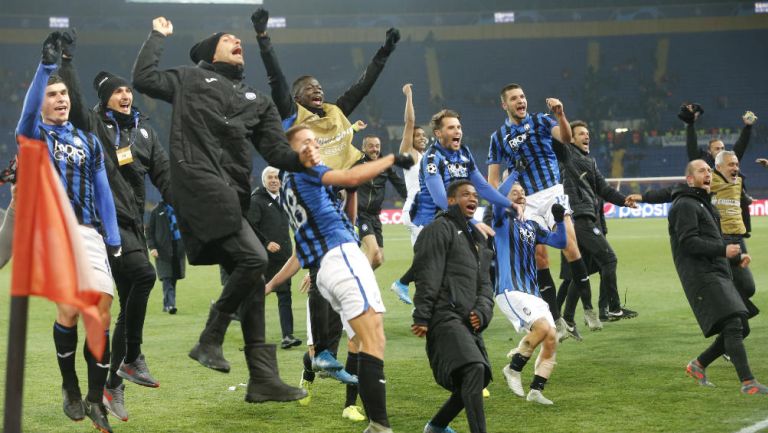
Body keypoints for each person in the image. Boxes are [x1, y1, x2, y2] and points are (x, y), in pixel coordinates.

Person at [132, 16, 318, 403]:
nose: (238, 41)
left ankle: (263, 379)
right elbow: (144, 79)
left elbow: (274, 151)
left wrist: (301, 158)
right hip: (196, 181)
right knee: (254, 258)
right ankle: (210, 336)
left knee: (251, 282)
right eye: (228, 39)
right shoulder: (188, 78)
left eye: (239, 40)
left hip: (231, 198)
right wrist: (157, 36)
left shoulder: (258, 101)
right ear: (208, 51)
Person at [265, 124, 415, 433]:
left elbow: (344, 219)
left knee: (363, 341)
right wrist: (390, 160)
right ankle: (379, 425)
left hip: (327, 270)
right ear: (289, 154)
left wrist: (268, 285)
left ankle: (364, 412)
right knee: (373, 339)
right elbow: (351, 177)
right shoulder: (306, 172)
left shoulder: (292, 190)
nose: (312, 146)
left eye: (313, 141)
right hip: (342, 259)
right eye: (304, 143)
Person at [57, 29, 173, 419]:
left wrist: (191, 206)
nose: (126, 95)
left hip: (134, 227)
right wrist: (68, 63)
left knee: (125, 302)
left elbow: (164, 176)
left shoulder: (144, 132)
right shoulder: (94, 128)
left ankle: (112, 383)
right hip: (107, 226)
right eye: (118, 91)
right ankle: (130, 358)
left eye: (128, 91)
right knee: (144, 276)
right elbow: (74, 108)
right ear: (105, 97)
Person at [17, 31, 121, 432]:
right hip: (53, 234)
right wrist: (45, 68)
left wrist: (111, 237)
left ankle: (95, 398)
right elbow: (28, 113)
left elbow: (103, 192)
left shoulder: (89, 141)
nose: (60, 99)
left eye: (64, 94)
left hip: (90, 233)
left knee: (102, 310)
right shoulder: (34, 136)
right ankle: (71, 387)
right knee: (71, 311)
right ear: (41, 101)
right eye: (52, 94)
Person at [486, 83, 588, 341]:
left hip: (552, 191)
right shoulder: (498, 138)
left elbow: (565, 138)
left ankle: (587, 309)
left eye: (522, 96)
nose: (520, 101)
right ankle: (556, 320)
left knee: (570, 246)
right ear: (504, 105)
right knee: (540, 259)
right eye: (514, 98)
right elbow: (492, 181)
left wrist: (561, 115)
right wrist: (509, 201)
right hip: (527, 200)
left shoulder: (541, 120)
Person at [396, 108, 517, 305]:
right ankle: (426, 309)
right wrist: (473, 221)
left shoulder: (464, 153)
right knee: (438, 270)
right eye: (451, 127)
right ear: (438, 133)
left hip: (451, 219)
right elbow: (441, 200)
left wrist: (509, 203)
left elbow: (483, 187)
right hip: (429, 222)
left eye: (459, 127)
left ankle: (466, 301)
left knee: (463, 261)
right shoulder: (432, 158)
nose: (457, 131)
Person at [252, 8, 398, 169]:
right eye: (309, 88)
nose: (317, 90)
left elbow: (363, 85)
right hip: (307, 183)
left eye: (319, 88)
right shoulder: (292, 113)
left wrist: (384, 52)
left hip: (340, 182)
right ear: (297, 98)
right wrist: (263, 37)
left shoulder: (335, 111)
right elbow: (276, 78)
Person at [669, 160, 767, 395]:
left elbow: (712, 242)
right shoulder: (685, 205)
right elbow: (688, 242)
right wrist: (723, 250)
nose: (708, 174)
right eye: (701, 170)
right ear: (690, 179)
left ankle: (698, 364)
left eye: (709, 171)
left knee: (742, 326)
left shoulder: (705, 205)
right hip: (701, 275)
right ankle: (748, 382)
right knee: (733, 323)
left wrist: (734, 258)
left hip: (718, 272)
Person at [412, 180, 494, 433]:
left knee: (475, 378)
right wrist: (422, 315)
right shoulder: (438, 228)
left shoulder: (478, 238)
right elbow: (427, 273)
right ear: (450, 200)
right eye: (465, 195)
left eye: (475, 195)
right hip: (443, 316)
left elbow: (486, 284)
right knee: (473, 369)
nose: (472, 199)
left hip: (469, 321)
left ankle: (436, 427)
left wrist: (482, 312)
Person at [491, 174, 566, 405]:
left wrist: (560, 220)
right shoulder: (501, 220)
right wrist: (512, 174)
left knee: (551, 337)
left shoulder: (532, 225)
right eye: (515, 192)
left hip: (532, 292)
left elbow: (561, 243)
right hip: (510, 289)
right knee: (543, 328)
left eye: (522, 192)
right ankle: (513, 370)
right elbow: (495, 199)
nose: (521, 194)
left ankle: (536, 390)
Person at [556, 120, 638, 327]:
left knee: (579, 272)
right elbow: (557, 140)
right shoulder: (566, 154)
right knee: (609, 260)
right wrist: (559, 115)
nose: (587, 137)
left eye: (588, 133)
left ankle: (567, 320)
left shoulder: (589, 161)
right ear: (570, 138)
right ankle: (613, 307)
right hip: (579, 217)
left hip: (584, 218)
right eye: (582, 134)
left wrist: (623, 200)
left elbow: (604, 188)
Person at [681, 104, 756, 234]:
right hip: (708, 207)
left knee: (734, 242)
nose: (721, 151)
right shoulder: (701, 160)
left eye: (722, 148)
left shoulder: (728, 159)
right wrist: (691, 125)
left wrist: (748, 127)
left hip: (727, 211)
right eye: (717, 149)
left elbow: (741, 145)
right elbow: (692, 145)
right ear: (709, 151)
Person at [248, 166, 301, 349]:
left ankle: (288, 336)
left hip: (283, 257)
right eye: (270, 177)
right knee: (257, 296)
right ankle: (254, 337)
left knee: (285, 296)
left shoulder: (286, 198)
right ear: (264, 181)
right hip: (263, 258)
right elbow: (249, 226)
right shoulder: (256, 200)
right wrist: (266, 243)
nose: (274, 180)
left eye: (276, 177)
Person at [390, 83, 429, 302]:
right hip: (416, 212)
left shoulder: (425, 156)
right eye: (418, 135)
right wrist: (409, 96)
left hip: (424, 212)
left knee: (428, 260)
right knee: (428, 257)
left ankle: (422, 304)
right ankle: (402, 284)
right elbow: (410, 122)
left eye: (424, 135)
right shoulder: (408, 153)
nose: (422, 137)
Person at [354, 135, 408, 269]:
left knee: (378, 260)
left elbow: (399, 184)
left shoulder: (385, 165)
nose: (375, 149)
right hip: (360, 215)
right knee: (373, 251)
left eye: (377, 146)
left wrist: (412, 199)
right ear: (363, 148)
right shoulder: (357, 165)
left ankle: (357, 276)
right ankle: (358, 284)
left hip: (375, 216)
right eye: (371, 146)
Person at [147, 201, 185, 315]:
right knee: (167, 277)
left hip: (178, 247)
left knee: (173, 277)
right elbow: (149, 231)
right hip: (162, 249)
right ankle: (170, 305)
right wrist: (152, 247)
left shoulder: (179, 209)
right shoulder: (156, 211)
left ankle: (166, 304)